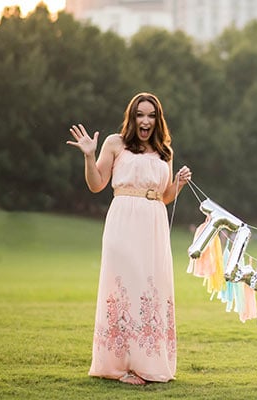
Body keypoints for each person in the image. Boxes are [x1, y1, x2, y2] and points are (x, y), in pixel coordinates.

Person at [66, 92, 192, 385]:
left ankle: (144, 363)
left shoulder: (165, 152)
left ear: (157, 119)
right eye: (140, 115)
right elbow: (97, 184)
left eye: (151, 115)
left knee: (151, 288)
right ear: (132, 117)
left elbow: (165, 196)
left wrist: (178, 184)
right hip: (123, 221)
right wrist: (88, 155)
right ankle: (118, 366)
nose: (145, 121)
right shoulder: (115, 143)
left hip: (154, 223)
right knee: (124, 287)